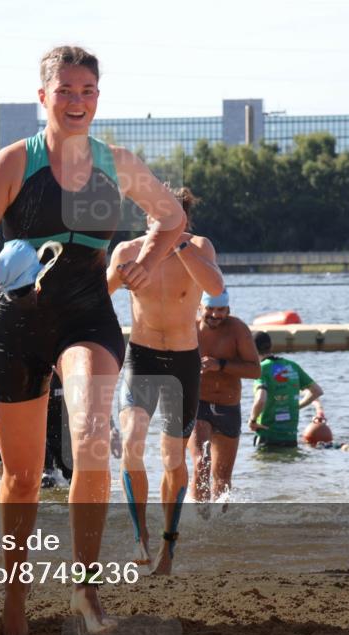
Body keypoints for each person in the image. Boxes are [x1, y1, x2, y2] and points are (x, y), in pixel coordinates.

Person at [0, 45, 185, 635]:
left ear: (97, 98)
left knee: (90, 436)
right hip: (17, 323)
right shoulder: (12, 164)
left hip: (86, 318)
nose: (77, 102)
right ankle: (15, 602)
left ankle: (84, 587)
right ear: (43, 96)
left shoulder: (117, 163)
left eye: (88, 91)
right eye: (66, 90)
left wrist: (146, 262)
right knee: (22, 478)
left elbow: (172, 217)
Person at [107, 186, 224, 574]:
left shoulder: (199, 246)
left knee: (173, 457)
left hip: (182, 362)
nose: (163, 223)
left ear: (184, 219)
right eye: (157, 216)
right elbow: (100, 292)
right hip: (141, 357)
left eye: (172, 217)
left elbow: (216, 287)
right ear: (147, 218)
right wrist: (117, 274)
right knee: (132, 443)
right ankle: (139, 535)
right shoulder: (128, 251)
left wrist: (180, 246)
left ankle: (167, 549)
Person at [186, 290, 260, 504]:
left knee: (223, 478)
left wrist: (221, 365)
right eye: (210, 309)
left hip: (228, 406)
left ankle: (221, 529)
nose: (216, 315)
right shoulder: (190, 329)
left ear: (228, 309)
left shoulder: (237, 329)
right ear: (200, 307)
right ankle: (199, 520)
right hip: (198, 404)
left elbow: (255, 370)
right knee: (201, 463)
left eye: (221, 310)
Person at [248, 332, 324, 448]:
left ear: (251, 349)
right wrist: (296, 406)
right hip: (290, 436)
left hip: (267, 435)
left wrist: (252, 420)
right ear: (270, 346)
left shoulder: (261, 369)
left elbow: (261, 399)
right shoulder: (292, 365)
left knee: (264, 465)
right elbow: (317, 391)